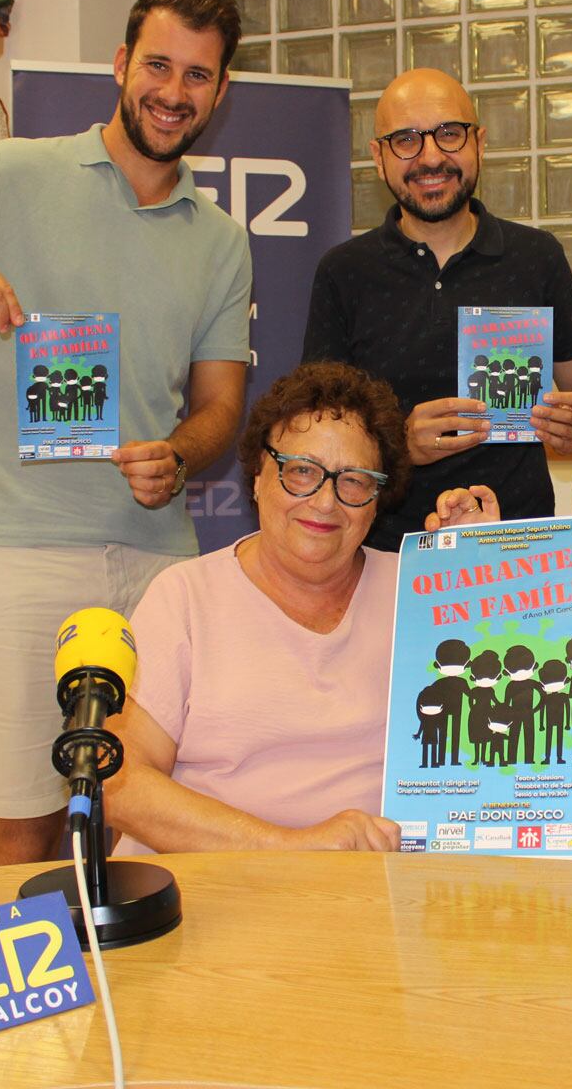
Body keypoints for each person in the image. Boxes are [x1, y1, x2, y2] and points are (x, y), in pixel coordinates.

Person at [0, 0, 254, 866]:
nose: (173, 91)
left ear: (219, 93)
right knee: (21, 824)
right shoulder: (11, 173)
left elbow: (221, 408)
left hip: (159, 562)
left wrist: (179, 454)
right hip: (16, 552)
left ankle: (139, 1007)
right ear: (121, 66)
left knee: (154, 825)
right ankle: (38, 1005)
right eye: (158, 65)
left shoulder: (222, 239)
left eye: (197, 75)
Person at [105, 363, 502, 854]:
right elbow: (120, 784)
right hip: (213, 889)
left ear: (378, 499)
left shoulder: (421, 593)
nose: (325, 502)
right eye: (301, 471)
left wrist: (491, 589)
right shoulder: (185, 596)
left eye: (354, 481)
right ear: (256, 476)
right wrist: (289, 847)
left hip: (375, 894)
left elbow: (545, 705)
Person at [302, 68, 572, 552]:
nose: (430, 157)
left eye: (449, 134)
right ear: (378, 158)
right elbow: (318, 434)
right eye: (405, 139)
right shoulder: (344, 272)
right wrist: (398, 446)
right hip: (384, 554)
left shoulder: (536, 257)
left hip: (518, 550)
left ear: (479, 143)